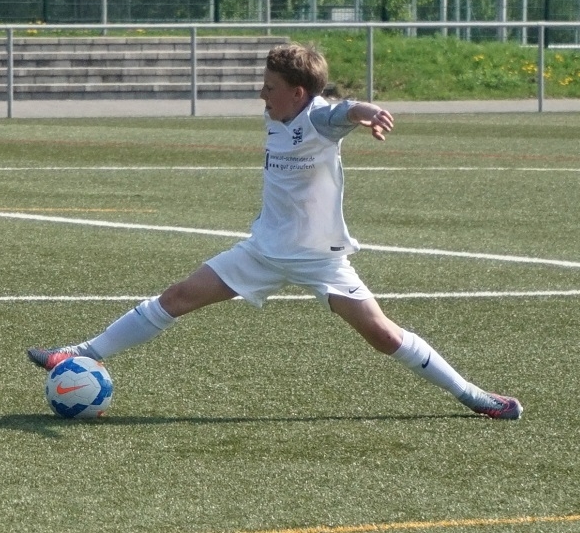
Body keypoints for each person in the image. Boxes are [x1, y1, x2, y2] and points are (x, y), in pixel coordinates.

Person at [28, 42, 522, 420]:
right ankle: (78, 353)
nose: (261, 94)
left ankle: (475, 396)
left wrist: (368, 112)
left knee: (382, 334)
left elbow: (345, 111)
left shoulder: (319, 118)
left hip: (318, 258)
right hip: (263, 250)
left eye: (268, 86)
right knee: (176, 296)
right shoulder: (277, 115)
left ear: (297, 93)